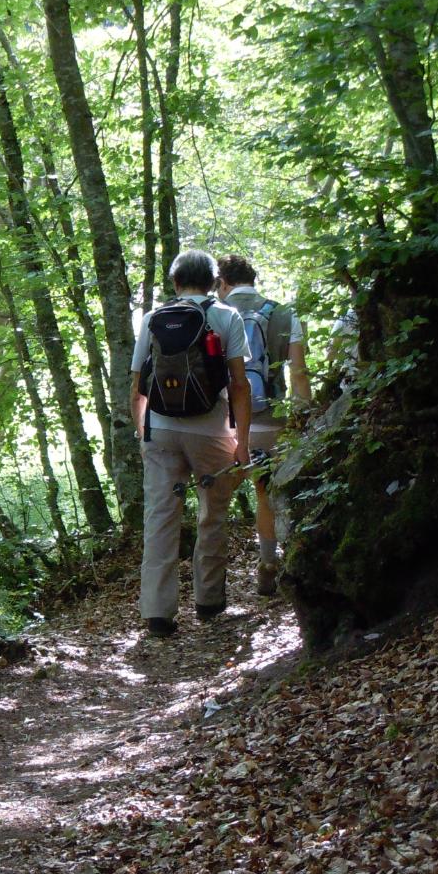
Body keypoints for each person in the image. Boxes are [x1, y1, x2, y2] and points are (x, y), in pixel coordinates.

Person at [129, 249, 251, 638]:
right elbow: (240, 385)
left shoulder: (152, 319)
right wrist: (242, 441)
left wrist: (143, 433)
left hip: (161, 432)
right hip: (212, 432)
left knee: (160, 519)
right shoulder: (227, 316)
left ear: (175, 282)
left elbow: (137, 388)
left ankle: (158, 613)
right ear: (215, 282)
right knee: (211, 513)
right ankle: (209, 601)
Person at [216, 254, 313, 597]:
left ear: (222, 283)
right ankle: (283, 560)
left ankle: (265, 565)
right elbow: (299, 373)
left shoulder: (217, 317)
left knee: (260, 493)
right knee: (285, 492)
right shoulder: (284, 313)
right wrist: (305, 419)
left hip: (234, 425)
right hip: (276, 419)